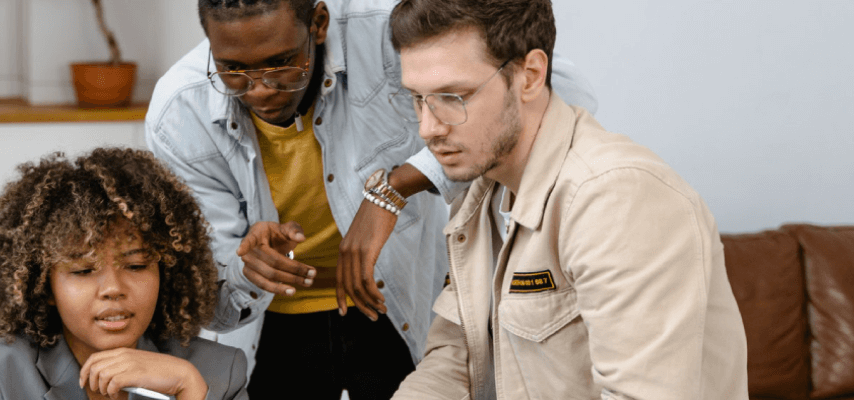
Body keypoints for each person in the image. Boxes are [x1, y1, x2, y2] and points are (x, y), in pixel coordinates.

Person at [145, 0, 596, 398]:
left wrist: (396, 187)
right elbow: (216, 308)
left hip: (399, 298)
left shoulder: (388, 30)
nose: (260, 88)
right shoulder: (179, 113)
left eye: (281, 63)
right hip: (271, 325)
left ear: (318, 24)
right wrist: (245, 270)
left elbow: (561, 93)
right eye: (233, 71)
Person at [387, 0, 748, 398]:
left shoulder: (616, 198)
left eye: (453, 96)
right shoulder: (482, 189)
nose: (427, 128)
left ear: (530, 75)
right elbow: (457, 359)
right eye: (418, 98)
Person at [0, 148, 248, 400]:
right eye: (83, 270)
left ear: (165, 272)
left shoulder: (218, 372)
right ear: (45, 287)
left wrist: (189, 388)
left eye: (136, 266)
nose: (113, 288)